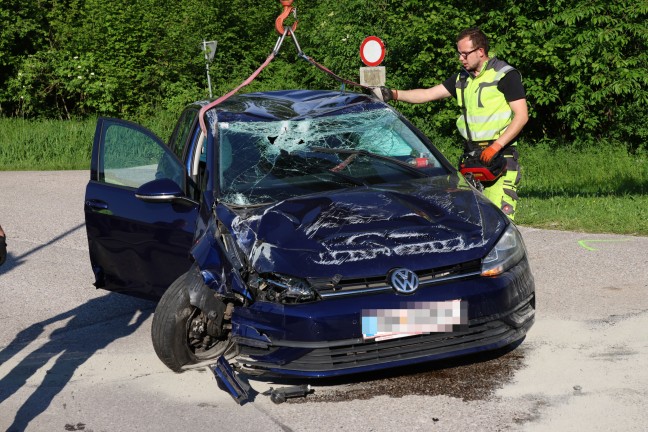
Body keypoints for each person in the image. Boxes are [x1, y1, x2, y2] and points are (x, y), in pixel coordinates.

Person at [372, 27, 528, 219]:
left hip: (500, 157)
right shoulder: (462, 78)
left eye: (465, 54)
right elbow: (428, 94)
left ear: (480, 51)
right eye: (459, 54)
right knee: (473, 221)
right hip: (472, 158)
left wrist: (496, 146)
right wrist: (393, 94)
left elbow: (522, 116)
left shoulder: (505, 75)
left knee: (500, 221)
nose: (461, 59)